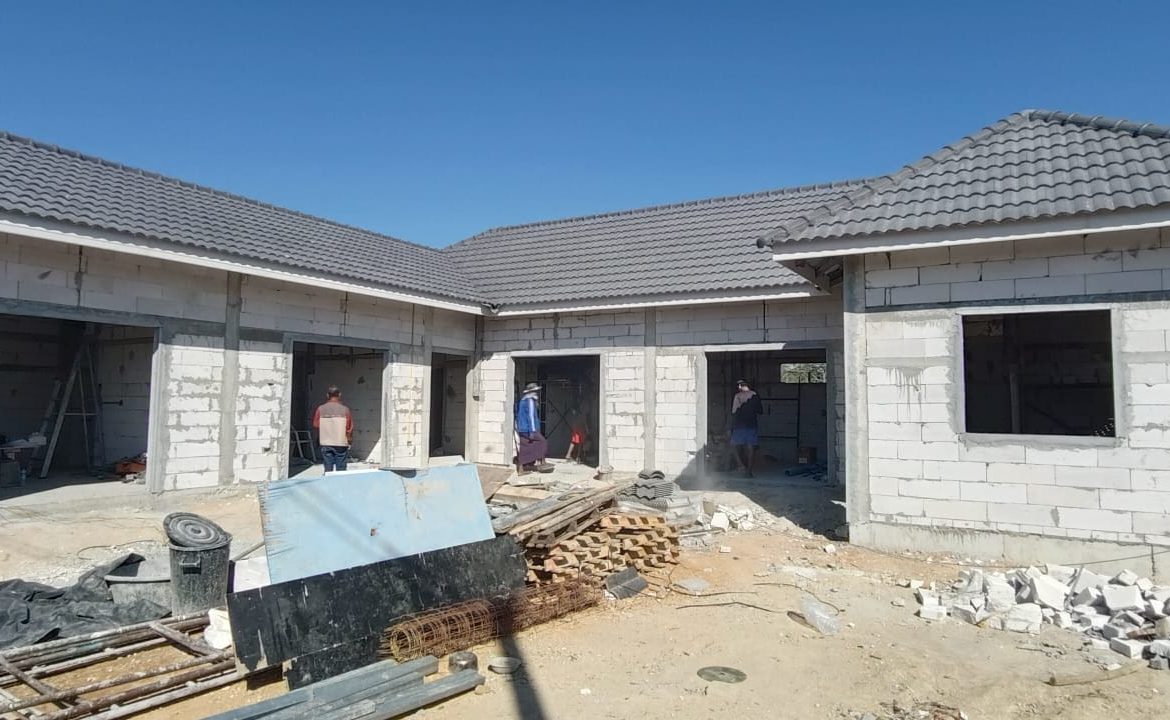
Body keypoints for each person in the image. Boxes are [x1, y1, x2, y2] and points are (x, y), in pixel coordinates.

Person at [312, 385, 353, 472]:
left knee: (328, 469)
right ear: (339, 394)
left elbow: (316, 424)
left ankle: (328, 480)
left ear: (327, 395)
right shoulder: (345, 410)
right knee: (341, 470)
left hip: (326, 443)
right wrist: (349, 441)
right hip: (341, 443)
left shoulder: (321, 409)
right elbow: (349, 428)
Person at [515, 383, 554, 474]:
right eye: (535, 391)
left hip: (522, 428)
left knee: (525, 447)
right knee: (542, 442)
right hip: (529, 429)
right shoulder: (530, 401)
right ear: (531, 392)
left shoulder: (523, 400)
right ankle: (541, 462)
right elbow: (531, 417)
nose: (537, 393)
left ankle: (522, 468)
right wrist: (532, 431)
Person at [730, 379, 763, 477]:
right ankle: (749, 471)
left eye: (738, 386)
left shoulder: (738, 396)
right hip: (752, 424)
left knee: (733, 445)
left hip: (739, 425)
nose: (738, 388)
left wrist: (730, 426)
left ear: (741, 386)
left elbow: (734, 412)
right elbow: (760, 411)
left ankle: (740, 465)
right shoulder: (755, 395)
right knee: (751, 447)